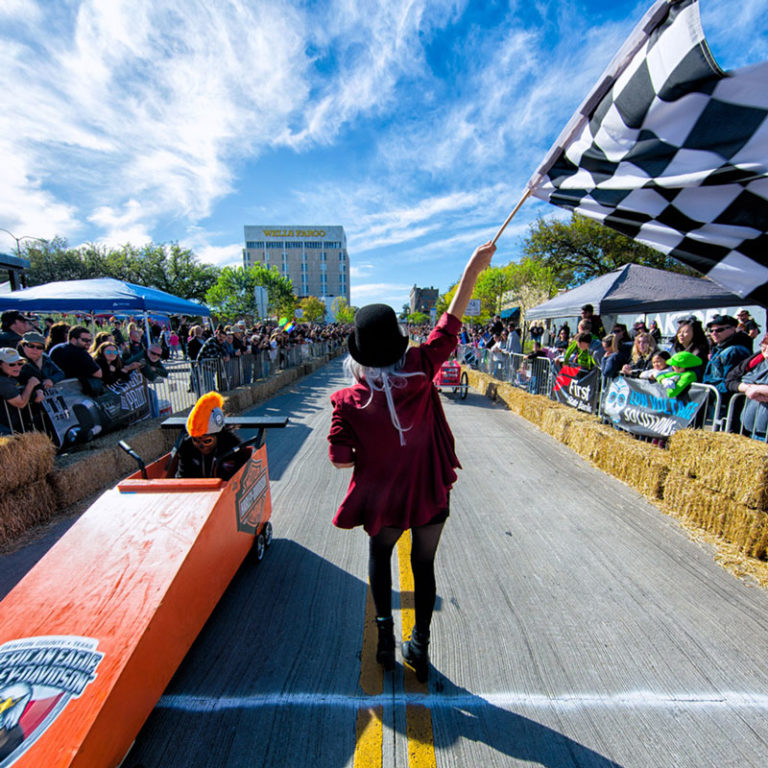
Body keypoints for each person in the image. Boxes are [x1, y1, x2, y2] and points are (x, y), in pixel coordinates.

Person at [327, 241, 496, 681]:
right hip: (428, 491)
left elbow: (340, 461)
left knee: (380, 554)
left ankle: (384, 638)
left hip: (385, 499)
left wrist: (369, 446)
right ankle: (418, 645)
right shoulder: (422, 367)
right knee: (424, 565)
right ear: (399, 340)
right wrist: (471, 270)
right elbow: (450, 325)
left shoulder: (348, 400)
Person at [174, 391, 249, 480]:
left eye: (207, 441)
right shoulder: (187, 447)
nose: (201, 445)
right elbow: (181, 476)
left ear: (217, 437)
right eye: (196, 440)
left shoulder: (231, 448)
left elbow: (235, 480)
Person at [725, 333, 768, 439]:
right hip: (751, 430)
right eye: (764, 344)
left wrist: (760, 389)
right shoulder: (755, 360)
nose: (766, 348)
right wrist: (748, 389)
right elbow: (730, 380)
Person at [702, 315, 751, 397]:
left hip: (722, 402)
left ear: (733, 329)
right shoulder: (720, 348)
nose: (714, 333)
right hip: (714, 399)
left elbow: (730, 382)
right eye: (711, 330)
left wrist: (711, 392)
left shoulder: (734, 351)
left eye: (719, 330)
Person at [0, 348, 42, 435]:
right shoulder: (2, 382)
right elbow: (21, 403)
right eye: (11, 364)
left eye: (20, 363)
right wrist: (30, 385)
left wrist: (38, 389)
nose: (17, 367)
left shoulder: (11, 375)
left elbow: (36, 377)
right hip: (5, 429)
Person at [49, 326, 103, 391]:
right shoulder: (80, 353)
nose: (88, 343)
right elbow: (98, 374)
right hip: (74, 391)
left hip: (55, 390)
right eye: (85, 340)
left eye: (90, 341)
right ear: (73, 340)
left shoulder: (56, 348)